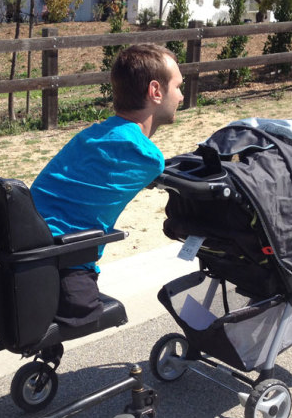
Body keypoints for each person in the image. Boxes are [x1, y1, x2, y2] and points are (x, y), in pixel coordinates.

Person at [30, 43, 184, 326]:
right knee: (92, 312)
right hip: (64, 271)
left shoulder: (94, 134)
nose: (181, 96)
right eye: (177, 87)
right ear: (156, 91)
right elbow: (160, 172)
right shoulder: (148, 157)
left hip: (30, 251)